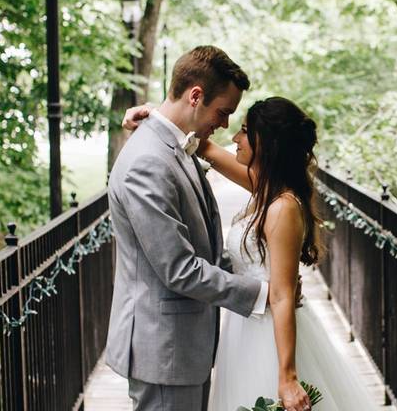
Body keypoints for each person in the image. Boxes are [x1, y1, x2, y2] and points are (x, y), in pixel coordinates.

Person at [123, 96, 377, 411]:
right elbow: (202, 145)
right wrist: (149, 114)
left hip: (268, 337)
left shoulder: (282, 207)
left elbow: (283, 296)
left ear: (266, 145)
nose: (234, 138)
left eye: (244, 131)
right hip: (243, 325)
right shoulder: (265, 186)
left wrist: (287, 376)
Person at [106, 46, 275, 411]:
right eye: (223, 112)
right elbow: (179, 269)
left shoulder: (176, 145)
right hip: (163, 349)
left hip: (183, 346)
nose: (225, 124)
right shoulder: (147, 162)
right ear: (196, 95)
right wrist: (262, 293)